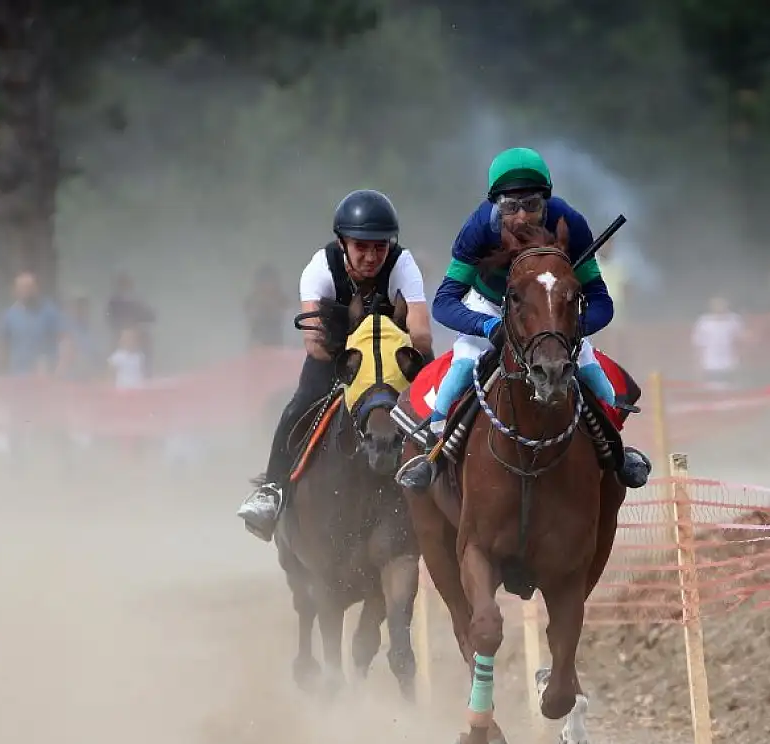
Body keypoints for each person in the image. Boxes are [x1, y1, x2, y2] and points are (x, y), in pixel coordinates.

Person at [396, 146, 652, 490]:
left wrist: (565, 330)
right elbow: (444, 303)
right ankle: (433, 454)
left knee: (594, 374)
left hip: (548, 316)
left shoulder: (571, 223)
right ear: (494, 204)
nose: (521, 217)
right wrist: (488, 326)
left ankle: (617, 454)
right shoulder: (476, 229)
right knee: (459, 370)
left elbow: (601, 301)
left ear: (546, 202)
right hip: (490, 308)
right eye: (509, 206)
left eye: (531, 205)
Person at [235, 189, 434, 541]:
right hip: (339, 355)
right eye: (362, 246)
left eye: (380, 246)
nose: (372, 256)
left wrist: (395, 353)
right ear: (342, 243)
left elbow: (421, 336)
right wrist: (355, 354)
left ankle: (444, 475)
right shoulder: (319, 268)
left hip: (391, 357)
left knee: (437, 399)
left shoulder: (403, 264)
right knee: (300, 403)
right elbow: (314, 344)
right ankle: (273, 490)